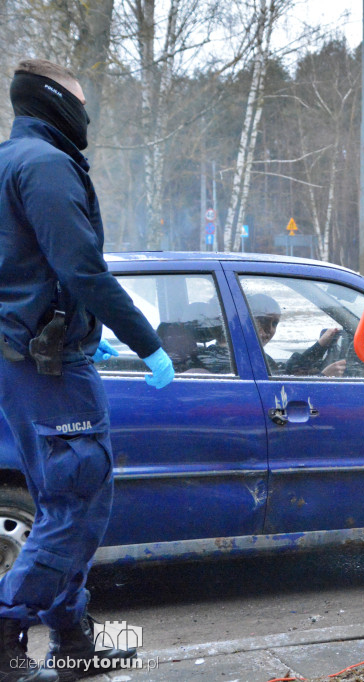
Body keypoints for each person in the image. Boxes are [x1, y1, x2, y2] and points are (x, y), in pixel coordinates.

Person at [0, 58, 175, 681]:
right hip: (49, 370)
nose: (87, 112)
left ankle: (73, 639)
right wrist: (144, 341)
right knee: (78, 504)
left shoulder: (9, 160)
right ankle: (7, 631)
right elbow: (81, 268)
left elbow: (27, 268)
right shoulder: (45, 166)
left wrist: (72, 327)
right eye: (78, 99)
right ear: (52, 101)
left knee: (61, 503)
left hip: (31, 359)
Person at [246, 293, 347, 377]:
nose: (269, 330)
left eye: (274, 323)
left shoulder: (256, 356)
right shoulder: (246, 361)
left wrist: (320, 345)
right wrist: (323, 377)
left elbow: (286, 372)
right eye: (263, 321)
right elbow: (280, 393)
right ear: (247, 321)